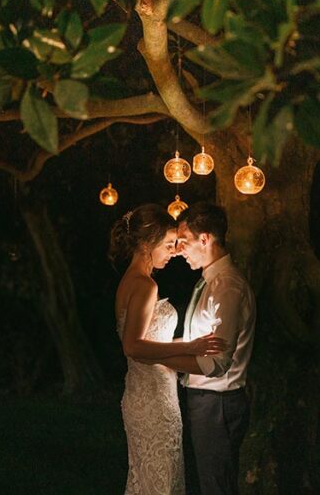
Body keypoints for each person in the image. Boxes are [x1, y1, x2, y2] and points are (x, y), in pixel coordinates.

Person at [112, 203, 227, 495]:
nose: (173, 251)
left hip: (148, 392)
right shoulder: (144, 286)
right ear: (146, 244)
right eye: (167, 244)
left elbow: (149, 343)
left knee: (152, 479)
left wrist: (187, 346)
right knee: (160, 483)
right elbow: (133, 346)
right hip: (152, 398)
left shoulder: (130, 281)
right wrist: (190, 346)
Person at [176, 202, 256, 495]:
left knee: (216, 487)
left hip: (217, 403)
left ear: (205, 239)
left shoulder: (227, 287)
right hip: (206, 400)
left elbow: (217, 362)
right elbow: (195, 344)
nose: (180, 250)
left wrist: (164, 360)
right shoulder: (210, 283)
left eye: (184, 242)